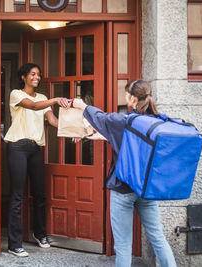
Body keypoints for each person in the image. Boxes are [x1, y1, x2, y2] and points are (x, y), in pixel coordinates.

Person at [72, 80, 177, 267]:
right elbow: (129, 140)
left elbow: (101, 118)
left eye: (126, 93)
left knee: (122, 245)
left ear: (132, 98)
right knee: (158, 238)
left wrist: (83, 106)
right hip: (146, 189)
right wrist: (99, 136)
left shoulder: (124, 121)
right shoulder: (156, 121)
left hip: (123, 189)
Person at [4, 63, 69, 257]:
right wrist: (56, 99)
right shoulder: (16, 94)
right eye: (33, 74)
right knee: (17, 196)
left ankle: (39, 234)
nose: (37, 77)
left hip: (35, 149)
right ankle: (14, 244)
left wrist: (77, 130)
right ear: (23, 76)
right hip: (17, 147)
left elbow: (54, 121)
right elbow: (32, 106)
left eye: (39, 74)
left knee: (40, 194)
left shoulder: (43, 98)